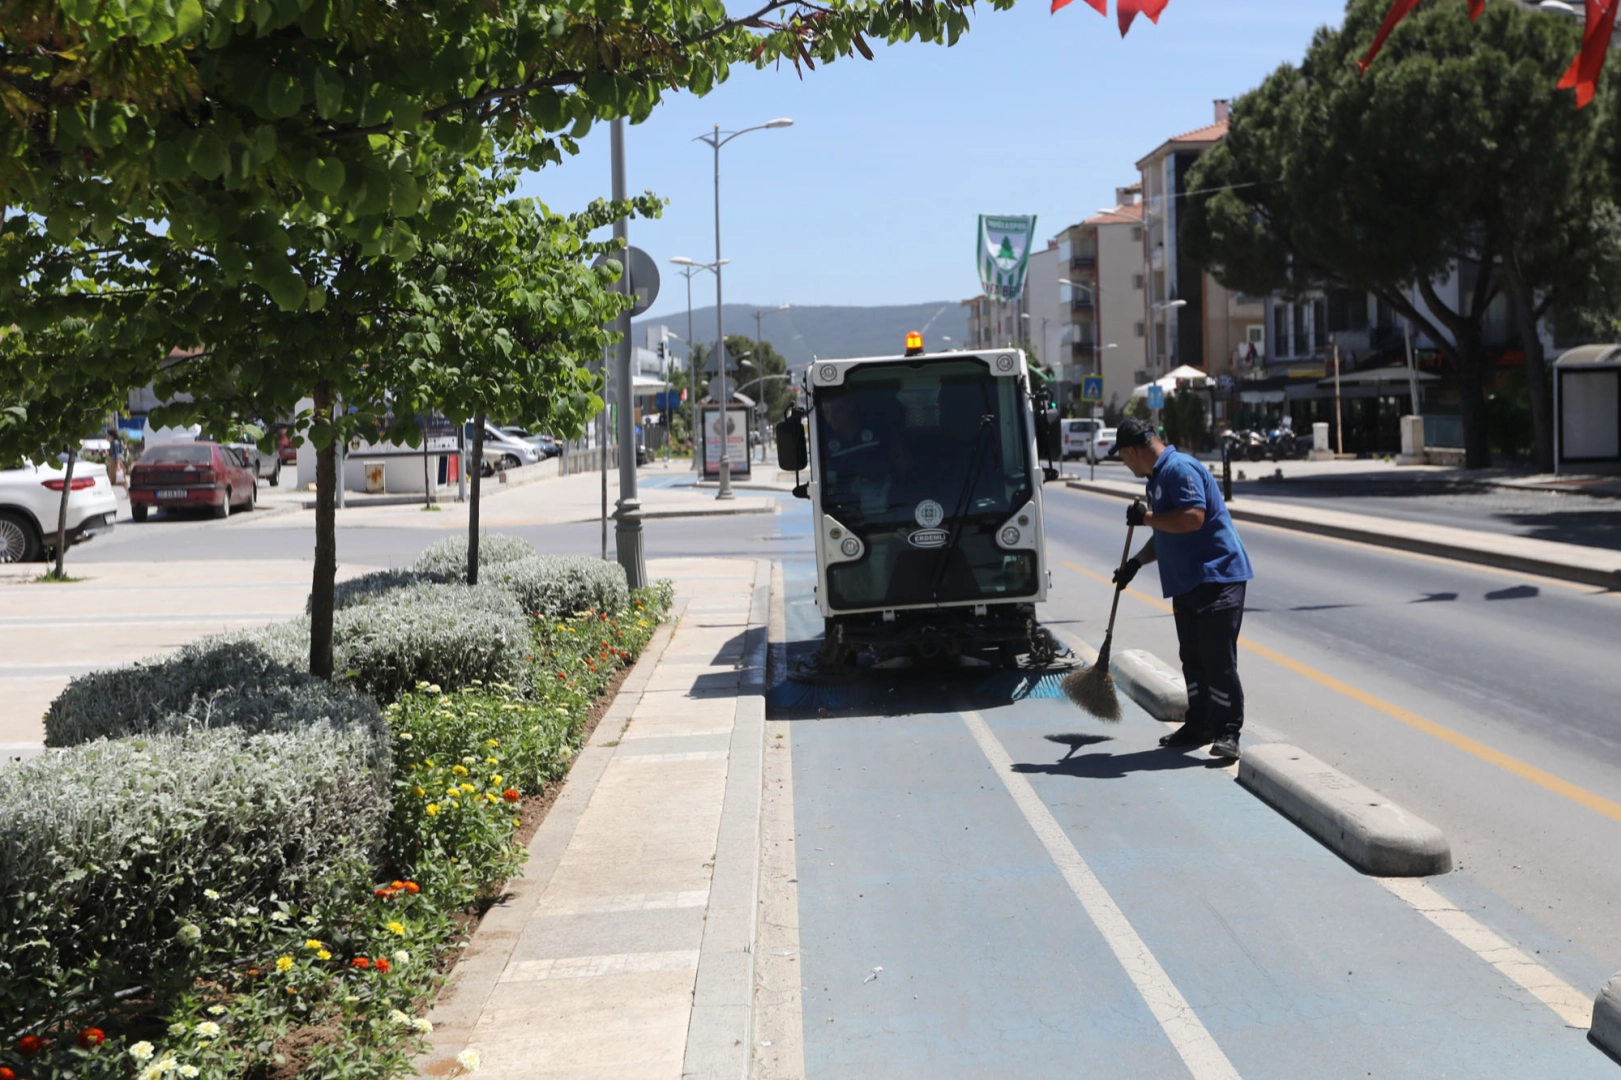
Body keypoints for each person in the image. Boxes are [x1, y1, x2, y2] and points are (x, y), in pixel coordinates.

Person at [1110, 417, 1253, 760]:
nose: (1124, 463)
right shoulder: (1157, 479)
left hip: (1217, 577)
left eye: (1123, 456)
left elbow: (1192, 518)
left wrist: (1145, 518)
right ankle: (1199, 724)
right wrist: (1135, 564)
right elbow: (1166, 533)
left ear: (1133, 450)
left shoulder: (1179, 468)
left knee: (1217, 659)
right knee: (1193, 658)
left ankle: (1228, 732)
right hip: (1188, 582)